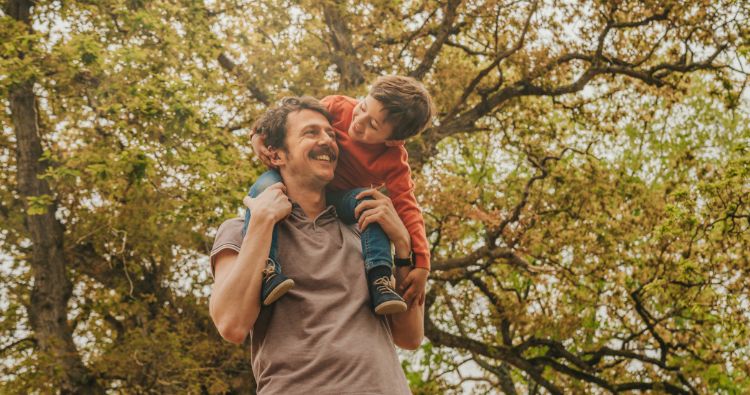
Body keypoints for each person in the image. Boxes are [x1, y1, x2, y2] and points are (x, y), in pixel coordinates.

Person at [209, 96, 422, 394]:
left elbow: (410, 337)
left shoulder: (365, 232)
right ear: (277, 155)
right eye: (311, 133)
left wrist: (402, 248)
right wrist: (261, 223)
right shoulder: (240, 231)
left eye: (331, 134)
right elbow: (231, 325)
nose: (328, 141)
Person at [245, 75, 433, 315]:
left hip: (339, 199)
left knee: (372, 205)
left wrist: (422, 264)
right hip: (294, 183)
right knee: (263, 191)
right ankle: (267, 269)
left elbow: (407, 206)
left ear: (394, 140)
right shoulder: (338, 106)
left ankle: (380, 278)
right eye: (363, 107)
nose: (359, 121)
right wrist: (257, 136)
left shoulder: (394, 162)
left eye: (373, 125)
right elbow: (293, 119)